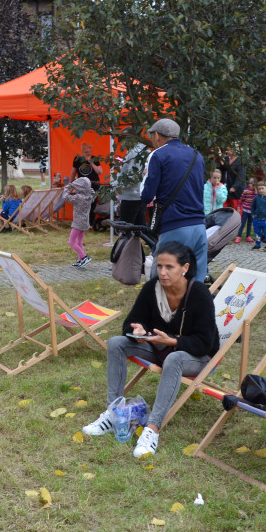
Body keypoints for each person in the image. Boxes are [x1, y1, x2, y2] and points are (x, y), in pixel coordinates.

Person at [82, 241, 219, 458]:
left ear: (185, 268)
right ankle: (113, 412)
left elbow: (206, 343)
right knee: (117, 342)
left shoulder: (200, 294)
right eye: (159, 266)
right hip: (159, 347)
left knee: (175, 359)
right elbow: (131, 322)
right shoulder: (152, 288)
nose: (163, 273)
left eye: (169, 267)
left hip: (197, 356)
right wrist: (136, 330)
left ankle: (152, 429)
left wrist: (174, 342)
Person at [139, 119, 207, 282]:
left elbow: (146, 195)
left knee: (162, 280)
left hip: (174, 224)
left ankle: (160, 308)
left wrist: (144, 177)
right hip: (199, 226)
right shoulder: (196, 155)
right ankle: (192, 307)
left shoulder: (158, 155)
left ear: (156, 135)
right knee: (196, 282)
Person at [115, 138, 149, 226]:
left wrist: (118, 186)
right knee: (139, 227)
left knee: (126, 228)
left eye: (123, 138)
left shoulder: (135, 152)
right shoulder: (143, 151)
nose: (122, 142)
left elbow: (133, 177)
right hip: (138, 194)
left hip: (131, 196)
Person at [63, 176, 95, 267]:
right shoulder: (90, 196)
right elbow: (92, 192)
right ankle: (80, 260)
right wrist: (89, 189)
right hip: (85, 222)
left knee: (71, 242)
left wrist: (68, 187)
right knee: (79, 242)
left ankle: (84, 257)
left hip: (78, 223)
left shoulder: (78, 197)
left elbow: (65, 197)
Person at [250, 181, 266, 251]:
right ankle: (258, 244)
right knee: (257, 233)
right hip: (257, 219)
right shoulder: (256, 198)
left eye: (262, 188)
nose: (261, 190)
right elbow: (252, 207)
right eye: (259, 189)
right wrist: (253, 215)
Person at [234, 178, 256, 244]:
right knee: (242, 223)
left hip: (252, 211)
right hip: (245, 210)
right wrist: (238, 207)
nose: (253, 184)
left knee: (249, 224)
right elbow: (242, 200)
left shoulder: (256, 192)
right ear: (249, 184)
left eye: (254, 182)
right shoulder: (246, 191)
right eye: (251, 182)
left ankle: (248, 236)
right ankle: (239, 236)